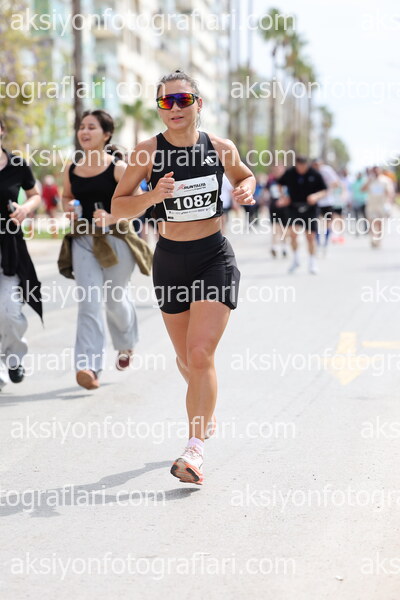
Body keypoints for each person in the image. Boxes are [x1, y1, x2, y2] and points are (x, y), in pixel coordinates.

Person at [112, 69, 256, 485]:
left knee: (200, 353)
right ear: (159, 108)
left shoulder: (220, 147)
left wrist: (246, 189)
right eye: (166, 101)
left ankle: (194, 450)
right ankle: (205, 410)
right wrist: (153, 196)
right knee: (186, 361)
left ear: (198, 103)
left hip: (213, 257)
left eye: (182, 100)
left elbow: (244, 176)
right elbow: (118, 207)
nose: (174, 108)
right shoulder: (146, 153)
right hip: (171, 261)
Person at [60, 109, 152, 390]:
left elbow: (139, 204)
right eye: (82, 127)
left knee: (114, 299)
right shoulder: (71, 168)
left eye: (92, 127)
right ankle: (88, 366)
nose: (85, 132)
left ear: (107, 134)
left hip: (117, 239)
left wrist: (112, 217)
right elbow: (67, 196)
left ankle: (126, 344)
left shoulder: (119, 168)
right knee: (89, 302)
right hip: (83, 239)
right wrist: (69, 208)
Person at [0, 117, 42, 388]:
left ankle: (14, 357)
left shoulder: (17, 164)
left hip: (10, 247)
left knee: (9, 311)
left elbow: (34, 194)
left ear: (2, 131)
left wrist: (25, 209)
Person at [278, 156, 327, 274]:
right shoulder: (290, 173)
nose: (300, 169)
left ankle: (312, 262)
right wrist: (283, 196)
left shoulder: (314, 174)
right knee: (293, 234)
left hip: (310, 208)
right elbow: (279, 183)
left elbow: (324, 190)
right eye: (298, 166)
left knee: (310, 236)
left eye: (303, 166)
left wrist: (316, 196)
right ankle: (296, 259)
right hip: (293, 207)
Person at [311, 158, 340, 254]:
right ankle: (318, 243)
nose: (317, 166)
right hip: (316, 201)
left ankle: (326, 243)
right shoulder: (311, 172)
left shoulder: (327, 170)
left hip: (327, 201)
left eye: (318, 164)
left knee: (328, 222)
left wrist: (326, 188)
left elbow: (336, 183)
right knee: (316, 222)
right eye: (315, 165)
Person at [362, 166, 395, 248]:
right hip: (371, 205)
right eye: (374, 171)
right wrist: (368, 181)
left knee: (380, 223)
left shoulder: (385, 180)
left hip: (381, 205)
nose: (375, 173)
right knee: (372, 223)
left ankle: (378, 239)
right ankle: (373, 238)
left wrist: (388, 203)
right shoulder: (370, 180)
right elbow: (362, 190)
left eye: (377, 171)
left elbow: (390, 192)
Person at [266, 164, 289, 258]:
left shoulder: (287, 179)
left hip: (285, 207)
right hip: (274, 206)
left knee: (284, 228)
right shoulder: (271, 180)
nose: (277, 171)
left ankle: (284, 247)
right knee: (275, 227)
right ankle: (274, 246)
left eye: (279, 169)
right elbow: (266, 192)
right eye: (275, 169)